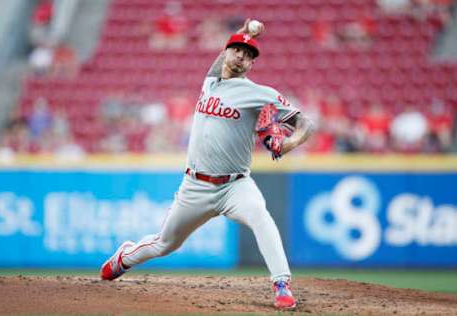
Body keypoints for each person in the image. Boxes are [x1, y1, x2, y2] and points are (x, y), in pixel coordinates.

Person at [100, 18, 315, 310]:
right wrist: (243, 31)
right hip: (195, 186)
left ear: (252, 64)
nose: (241, 56)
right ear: (225, 52)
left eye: (248, 55)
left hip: (235, 185)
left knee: (261, 217)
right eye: (237, 50)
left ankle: (281, 284)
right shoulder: (210, 81)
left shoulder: (259, 93)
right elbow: (225, 56)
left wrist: (289, 144)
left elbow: (305, 123)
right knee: (165, 244)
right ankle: (124, 257)